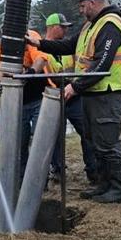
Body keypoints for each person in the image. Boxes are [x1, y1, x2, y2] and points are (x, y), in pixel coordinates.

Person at [30, 0, 121, 204]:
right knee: (94, 141)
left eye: (83, 6)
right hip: (93, 93)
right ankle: (102, 185)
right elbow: (68, 45)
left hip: (109, 94)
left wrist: (74, 87)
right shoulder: (90, 26)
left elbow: (102, 64)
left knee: (107, 143)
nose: (81, 10)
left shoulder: (110, 25)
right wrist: (38, 43)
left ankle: (116, 189)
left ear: (93, 3)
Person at [41, 12, 97, 185]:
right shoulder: (41, 49)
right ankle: (57, 169)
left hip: (73, 95)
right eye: (63, 27)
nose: (66, 31)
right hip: (53, 97)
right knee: (55, 136)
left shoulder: (69, 48)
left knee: (87, 133)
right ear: (53, 27)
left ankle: (93, 170)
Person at [0, 27, 49, 176]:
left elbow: (41, 59)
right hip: (18, 101)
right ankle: (22, 177)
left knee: (40, 138)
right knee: (20, 142)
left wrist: (30, 73)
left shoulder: (30, 37)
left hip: (38, 96)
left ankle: (41, 177)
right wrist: (1, 84)